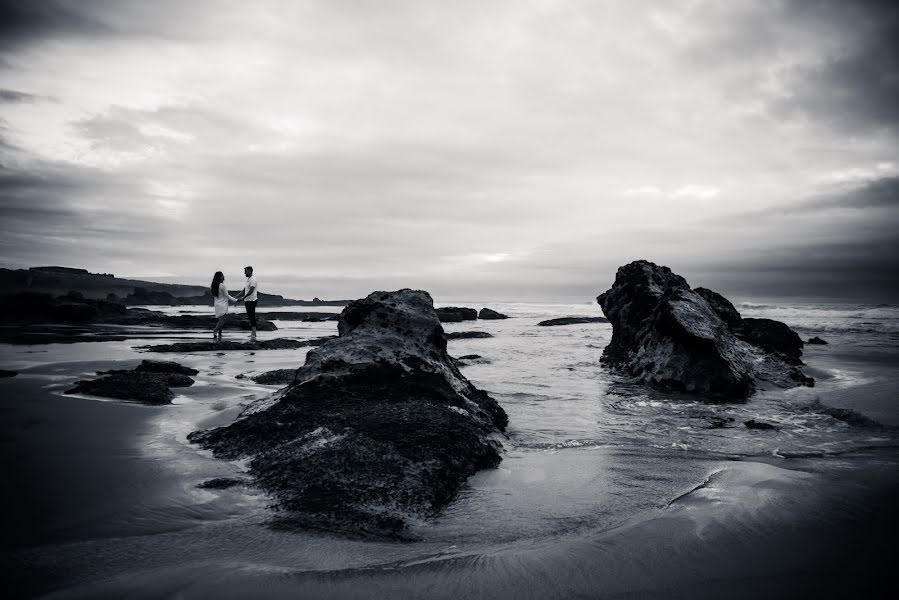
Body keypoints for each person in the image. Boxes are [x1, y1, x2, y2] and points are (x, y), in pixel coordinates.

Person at [233, 265, 259, 341]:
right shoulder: (248, 280)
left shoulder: (253, 280)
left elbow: (251, 290)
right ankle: (253, 333)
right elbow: (244, 291)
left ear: (250, 271)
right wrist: (235, 297)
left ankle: (253, 333)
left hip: (252, 300)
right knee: (250, 316)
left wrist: (243, 298)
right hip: (247, 300)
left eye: (246, 271)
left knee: (252, 316)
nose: (244, 273)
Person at [210, 271, 237, 341]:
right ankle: (216, 330)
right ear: (220, 277)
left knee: (221, 319)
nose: (223, 277)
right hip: (223, 305)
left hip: (217, 304)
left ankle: (220, 333)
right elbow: (227, 295)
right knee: (222, 320)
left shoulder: (214, 286)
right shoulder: (222, 285)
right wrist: (236, 300)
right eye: (222, 275)